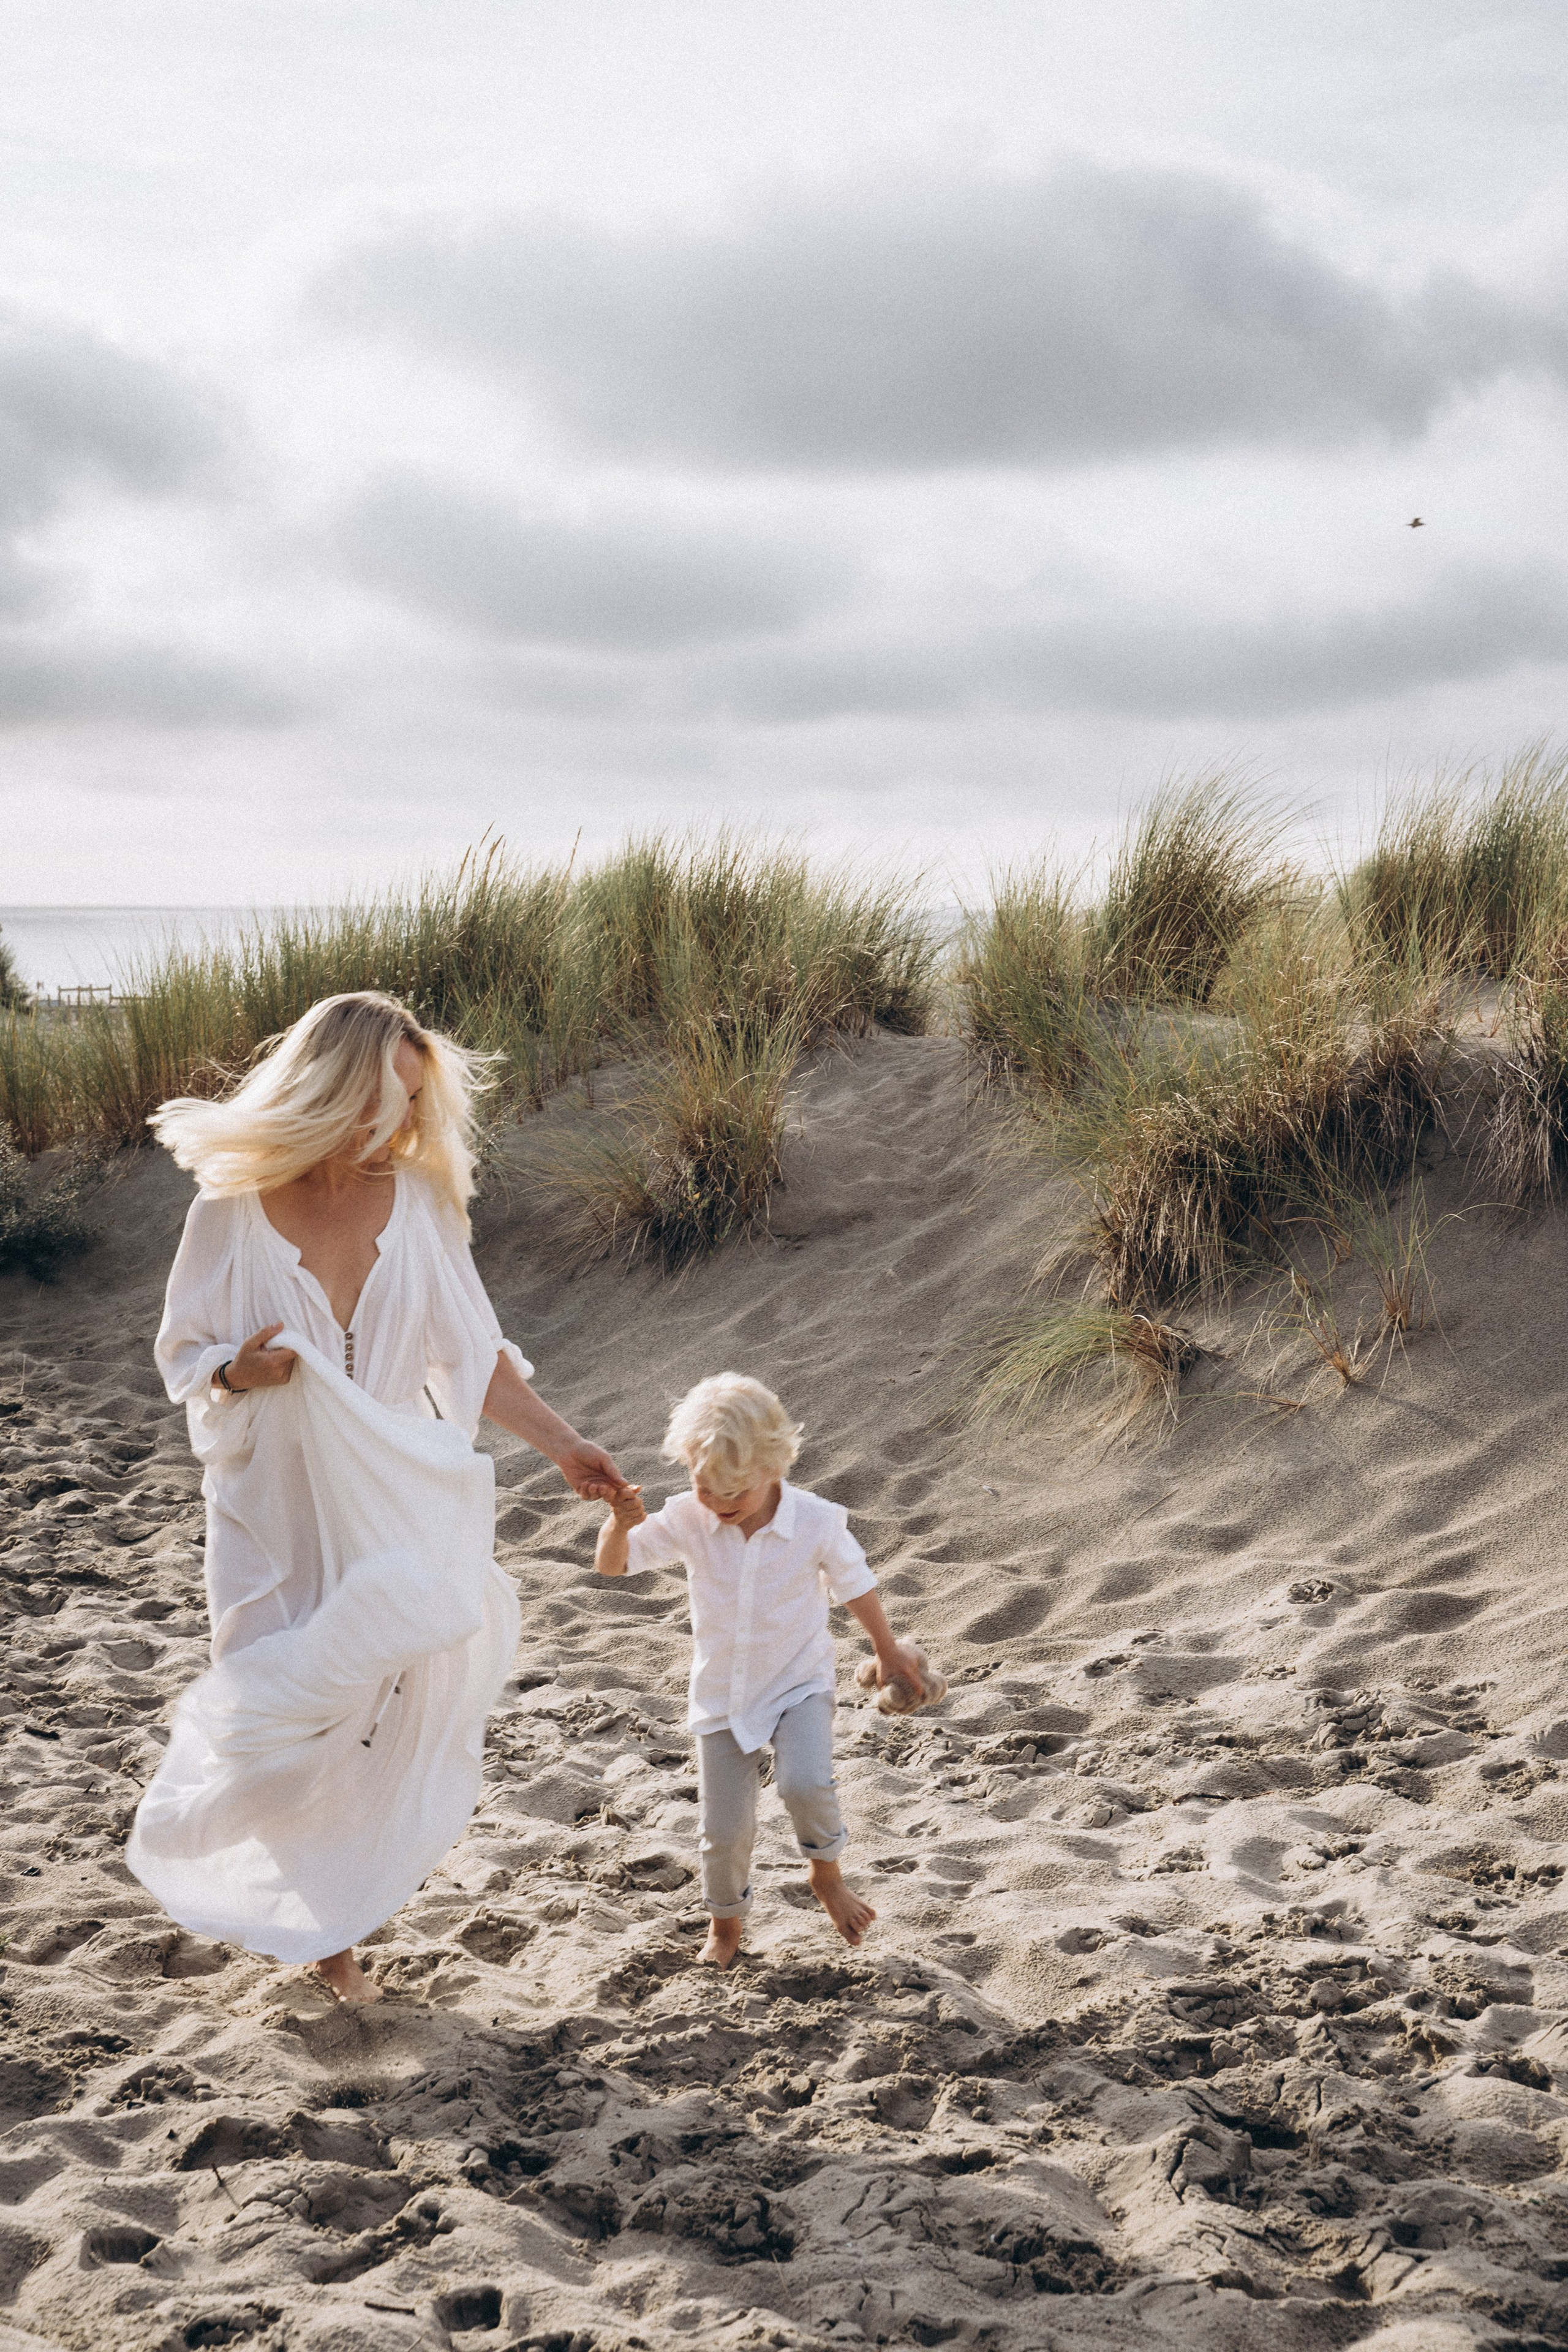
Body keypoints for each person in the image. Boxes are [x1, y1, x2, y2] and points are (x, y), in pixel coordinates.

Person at [128, 990, 629, 2003]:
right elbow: (184, 1353)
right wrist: (239, 1371)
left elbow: (471, 1354)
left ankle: (336, 1942)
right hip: (272, 1504)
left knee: (377, 1709)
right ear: (330, 1087)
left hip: (394, 1492)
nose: (398, 1122)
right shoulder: (230, 1208)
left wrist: (567, 1447)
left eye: (411, 1101)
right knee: (274, 1705)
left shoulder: (422, 1202)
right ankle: (316, 1925)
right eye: (383, 1098)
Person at [595, 1372, 925, 1969]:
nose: (719, 1506)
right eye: (705, 1489)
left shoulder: (816, 1520)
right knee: (723, 1831)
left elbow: (855, 1585)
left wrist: (888, 1650)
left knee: (804, 1784)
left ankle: (825, 1875)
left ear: (774, 1466)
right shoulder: (687, 1517)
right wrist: (620, 1522)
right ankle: (725, 1929)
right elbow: (615, 1567)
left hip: (799, 1680)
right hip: (721, 1693)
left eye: (735, 1495)